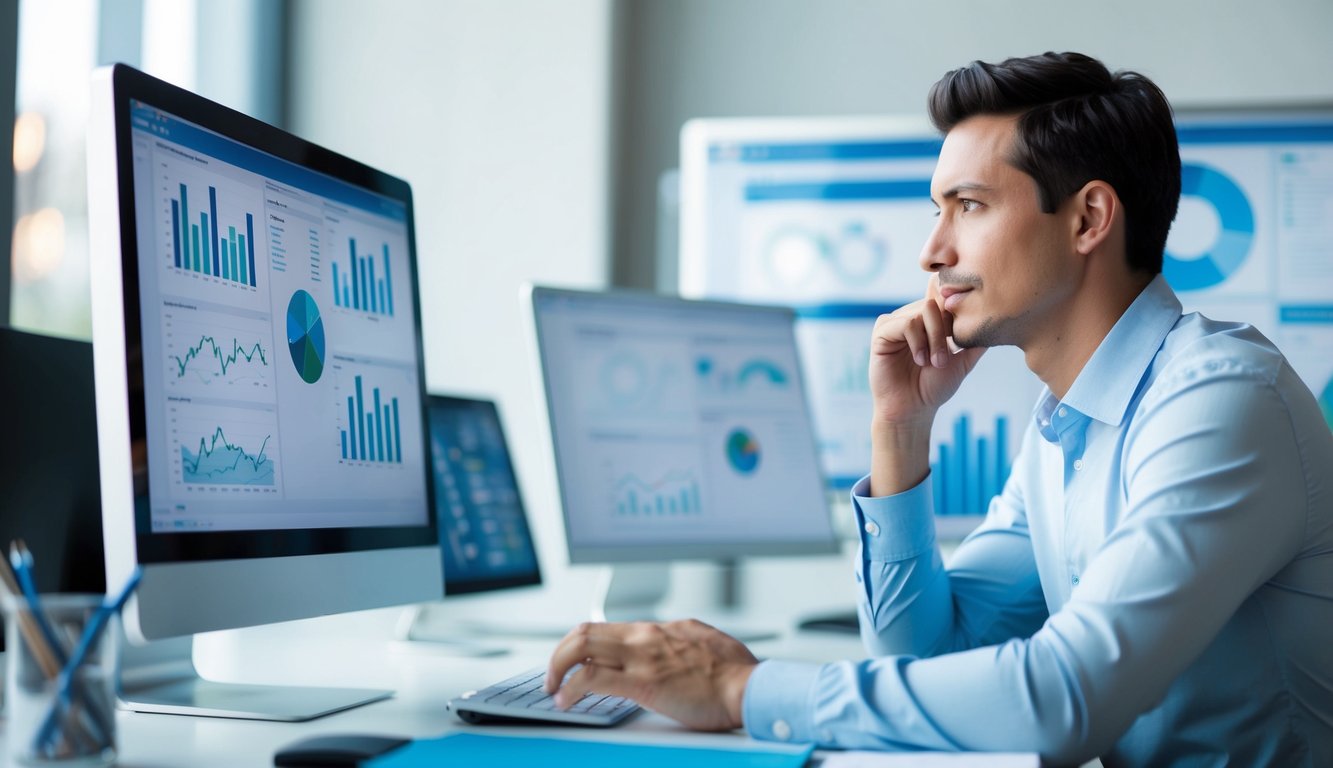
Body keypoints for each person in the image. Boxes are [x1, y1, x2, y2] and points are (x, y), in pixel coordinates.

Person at [544, 51, 1333, 765]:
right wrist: (899, 429)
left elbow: (1067, 701)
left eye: (969, 205)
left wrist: (739, 691)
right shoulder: (1064, 424)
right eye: (937, 209)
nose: (933, 251)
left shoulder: (1220, 402)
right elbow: (924, 660)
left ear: (1089, 219)